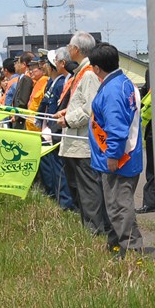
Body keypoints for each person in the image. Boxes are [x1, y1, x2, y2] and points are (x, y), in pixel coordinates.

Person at [88, 42, 144, 257]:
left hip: (119, 159)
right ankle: (115, 248)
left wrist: (112, 155)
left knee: (120, 208)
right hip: (125, 156)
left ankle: (132, 253)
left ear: (97, 68)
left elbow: (117, 127)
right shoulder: (123, 83)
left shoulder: (112, 90)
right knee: (115, 206)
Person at [56, 32, 111, 237]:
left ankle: (95, 233)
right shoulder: (83, 71)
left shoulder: (88, 73)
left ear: (76, 50)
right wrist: (66, 112)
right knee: (81, 189)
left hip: (83, 143)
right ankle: (92, 230)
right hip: (77, 141)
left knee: (89, 191)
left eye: (70, 47)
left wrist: (69, 119)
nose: (68, 50)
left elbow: (90, 109)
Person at [37, 48, 75, 211]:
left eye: (46, 63)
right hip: (47, 132)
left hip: (55, 132)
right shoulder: (52, 83)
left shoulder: (61, 83)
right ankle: (56, 198)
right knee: (51, 170)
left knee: (59, 170)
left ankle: (64, 203)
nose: (43, 66)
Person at [136, 68, 155, 214]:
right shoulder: (151, 70)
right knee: (153, 167)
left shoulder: (153, 70)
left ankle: (151, 202)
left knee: (153, 167)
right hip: (153, 128)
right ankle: (151, 201)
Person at [11, 52, 34, 130]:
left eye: (18, 63)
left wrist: (17, 116)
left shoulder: (26, 78)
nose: (16, 65)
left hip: (21, 120)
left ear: (23, 64)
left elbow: (23, 101)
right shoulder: (22, 77)